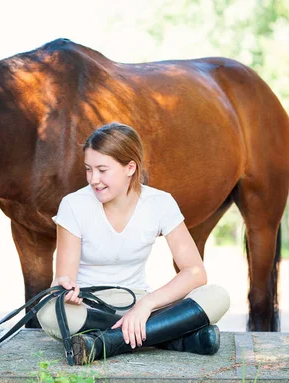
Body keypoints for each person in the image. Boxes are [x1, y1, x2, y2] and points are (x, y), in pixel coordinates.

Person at [37, 122, 230, 365]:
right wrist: (64, 287)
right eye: (88, 169)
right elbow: (63, 277)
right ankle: (172, 338)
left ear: (130, 168)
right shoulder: (73, 205)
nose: (94, 179)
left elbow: (195, 272)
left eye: (102, 170)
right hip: (91, 308)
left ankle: (103, 343)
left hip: (142, 303)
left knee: (217, 296)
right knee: (48, 312)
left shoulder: (160, 203)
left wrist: (146, 306)